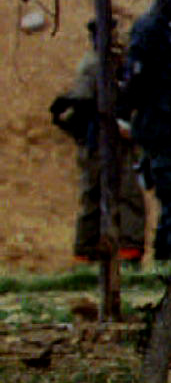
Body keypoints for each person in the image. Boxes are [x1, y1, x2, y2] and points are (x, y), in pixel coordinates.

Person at [51, 47, 146, 263]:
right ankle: (95, 252)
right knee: (107, 194)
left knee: (120, 195)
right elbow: (84, 102)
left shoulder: (107, 65)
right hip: (99, 141)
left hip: (109, 139)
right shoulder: (95, 65)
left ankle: (120, 251)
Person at [117, 0, 171, 261]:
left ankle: (170, 254)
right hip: (161, 125)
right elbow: (136, 78)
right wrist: (124, 115)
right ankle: (167, 256)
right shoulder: (151, 28)